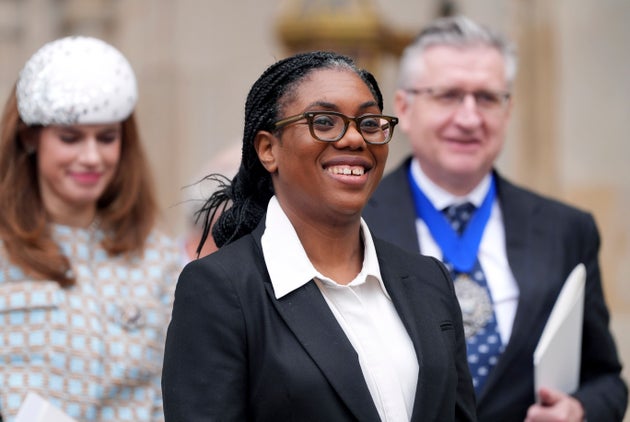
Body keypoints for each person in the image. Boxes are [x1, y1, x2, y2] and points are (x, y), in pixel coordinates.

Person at [161, 51, 476, 421]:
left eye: (370, 122)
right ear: (268, 149)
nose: (355, 138)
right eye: (324, 121)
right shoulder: (220, 289)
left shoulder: (428, 279)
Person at [362, 15, 628, 422]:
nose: (469, 118)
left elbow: (607, 380)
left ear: (508, 110)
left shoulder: (566, 229)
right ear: (405, 108)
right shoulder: (353, 222)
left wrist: (579, 411)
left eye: (487, 98)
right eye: (448, 95)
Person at [0, 36, 181, 421]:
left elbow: (175, 388)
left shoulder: (159, 258)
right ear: (30, 136)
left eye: (107, 137)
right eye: (70, 137)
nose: (91, 156)